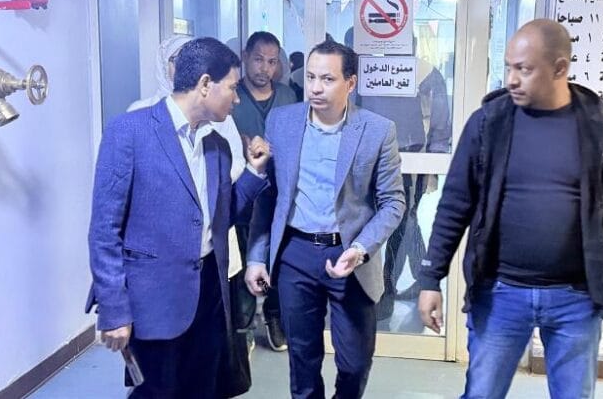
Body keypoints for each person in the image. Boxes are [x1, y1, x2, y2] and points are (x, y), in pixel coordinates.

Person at [417, 19, 603, 399]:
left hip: (576, 299)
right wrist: (430, 279)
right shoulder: (488, 124)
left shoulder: (600, 127)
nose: (512, 79)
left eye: (524, 69)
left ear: (560, 68)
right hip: (499, 294)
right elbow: (454, 205)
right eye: (509, 67)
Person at [86, 37, 271, 398]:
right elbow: (104, 230)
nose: (236, 98)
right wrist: (114, 309)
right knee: (157, 392)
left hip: (208, 293)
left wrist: (254, 172)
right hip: (153, 298)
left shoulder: (217, 146)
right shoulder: (130, 132)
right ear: (205, 84)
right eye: (232, 87)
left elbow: (220, 218)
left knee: (203, 390)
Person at [245, 40, 405, 398]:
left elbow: (393, 202)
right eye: (311, 77)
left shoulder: (377, 130)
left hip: (350, 256)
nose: (315, 88)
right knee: (302, 360)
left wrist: (361, 249)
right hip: (295, 254)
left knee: (355, 363)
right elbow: (268, 197)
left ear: (351, 83)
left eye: (328, 79)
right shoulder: (282, 122)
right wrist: (256, 257)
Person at [343, 27, 452, 321]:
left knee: (401, 224)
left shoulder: (426, 74)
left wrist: (433, 165)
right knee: (390, 222)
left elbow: (440, 125)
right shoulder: (364, 73)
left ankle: (388, 290)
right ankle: (409, 280)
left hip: (410, 163)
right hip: (368, 159)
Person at [231, 31, 298, 352]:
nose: (265, 68)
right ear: (245, 57)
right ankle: (243, 326)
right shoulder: (232, 96)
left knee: (279, 258)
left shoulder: (288, 96)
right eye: (258, 59)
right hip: (242, 193)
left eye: (272, 61)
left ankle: (274, 318)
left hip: (279, 193)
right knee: (245, 258)